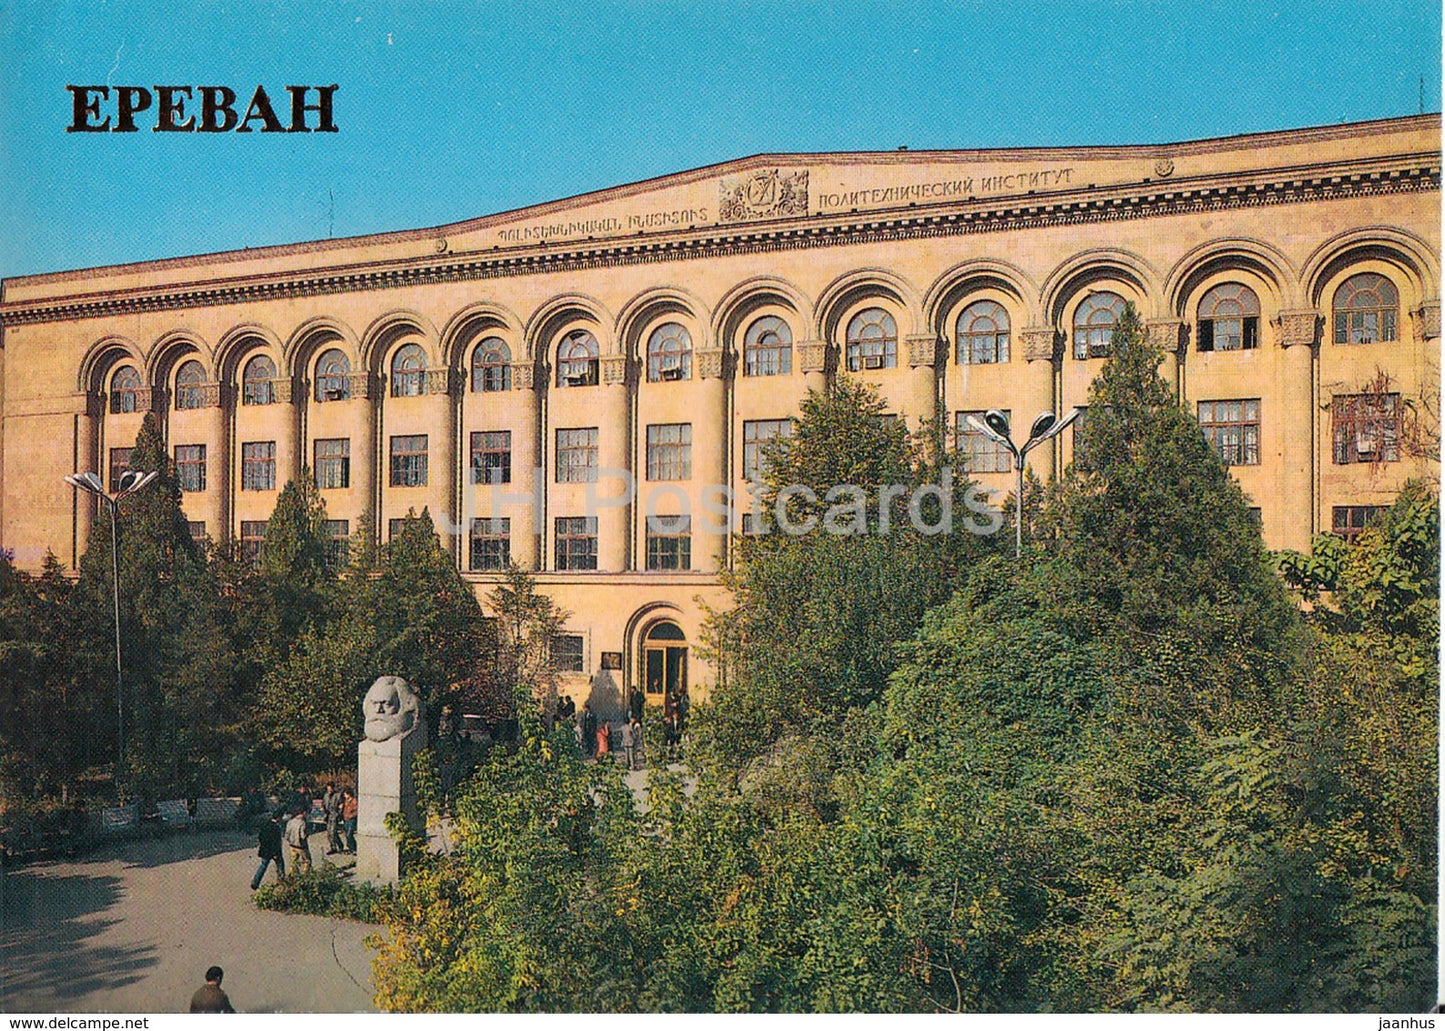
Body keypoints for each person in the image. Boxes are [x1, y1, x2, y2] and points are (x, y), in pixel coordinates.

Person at [250, 811, 285, 891]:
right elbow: (275, 842)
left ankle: (255, 882)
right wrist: (275, 853)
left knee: (263, 866)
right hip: (274, 851)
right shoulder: (276, 827)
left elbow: (261, 837)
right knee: (280, 865)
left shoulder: (266, 825)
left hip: (265, 850)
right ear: (279, 818)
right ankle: (281, 881)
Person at [284, 807, 312, 874]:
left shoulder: (290, 821)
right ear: (302, 813)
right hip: (301, 846)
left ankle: (293, 874)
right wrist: (307, 834)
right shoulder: (302, 823)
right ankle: (306, 874)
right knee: (307, 860)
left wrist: (290, 840)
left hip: (292, 845)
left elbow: (286, 834)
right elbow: (303, 836)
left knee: (294, 861)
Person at [323, 782, 343, 855]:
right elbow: (324, 804)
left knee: (333, 831)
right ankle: (333, 847)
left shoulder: (337, 795)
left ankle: (340, 846)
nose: (329, 791)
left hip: (335, 815)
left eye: (330, 789)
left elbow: (341, 805)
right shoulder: (326, 795)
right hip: (328, 815)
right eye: (328, 789)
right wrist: (323, 809)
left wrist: (339, 814)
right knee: (329, 833)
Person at [341, 788, 358, 854]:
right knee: (346, 834)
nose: (344, 796)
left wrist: (351, 815)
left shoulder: (354, 801)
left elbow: (356, 810)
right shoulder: (346, 801)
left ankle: (354, 848)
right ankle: (350, 848)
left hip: (351, 819)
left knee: (349, 834)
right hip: (346, 819)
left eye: (345, 794)